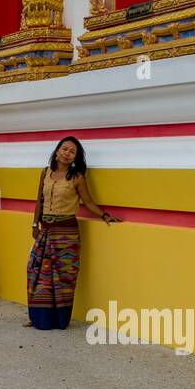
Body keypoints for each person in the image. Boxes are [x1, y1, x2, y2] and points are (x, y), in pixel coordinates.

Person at [25, 136, 121, 330]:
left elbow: (89, 202)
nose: (67, 153)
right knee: (36, 272)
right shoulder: (45, 172)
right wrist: (35, 225)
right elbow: (39, 201)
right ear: (57, 150)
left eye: (72, 152)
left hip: (66, 234)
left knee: (62, 277)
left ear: (76, 157)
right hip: (46, 230)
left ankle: (58, 320)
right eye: (65, 149)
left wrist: (104, 215)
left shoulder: (77, 177)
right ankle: (39, 318)